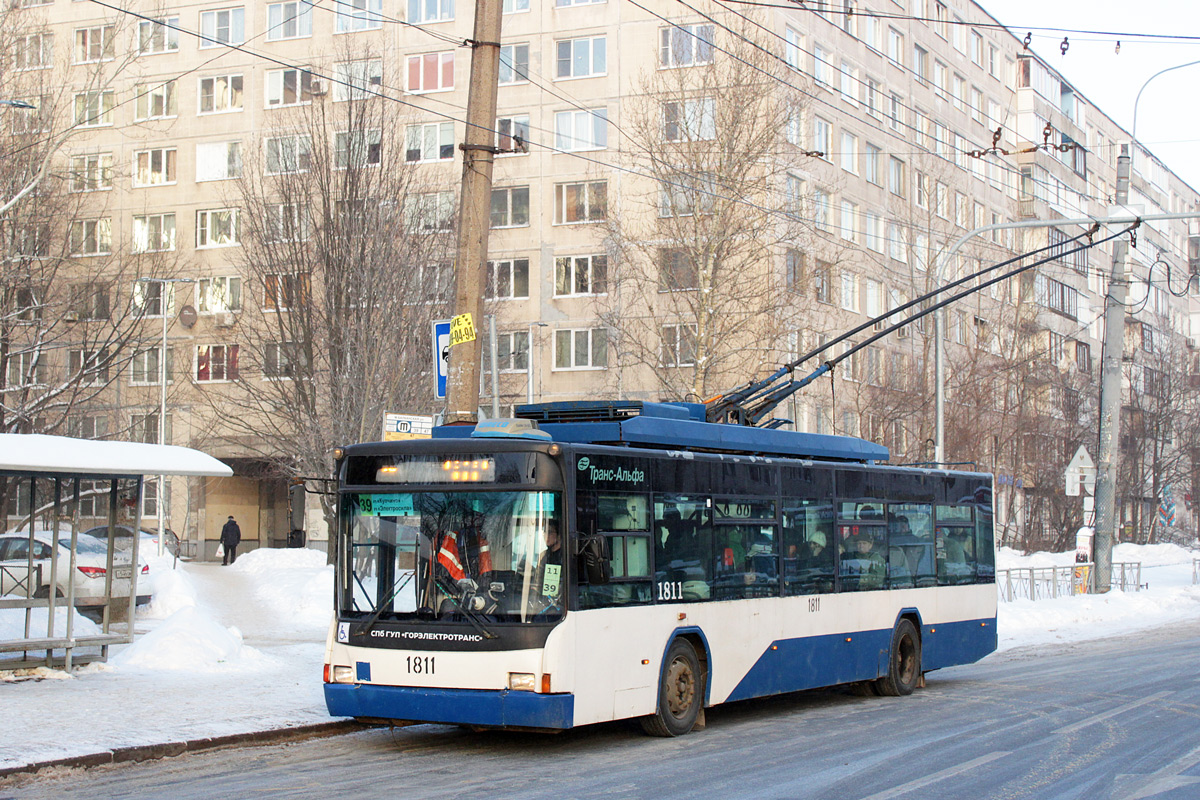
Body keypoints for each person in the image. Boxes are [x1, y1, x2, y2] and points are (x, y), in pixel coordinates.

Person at [534, 520, 563, 604]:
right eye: (545, 532)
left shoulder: (565, 556)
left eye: (550, 532)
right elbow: (538, 579)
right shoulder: (544, 555)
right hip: (544, 601)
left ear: (559, 535)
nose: (546, 535)